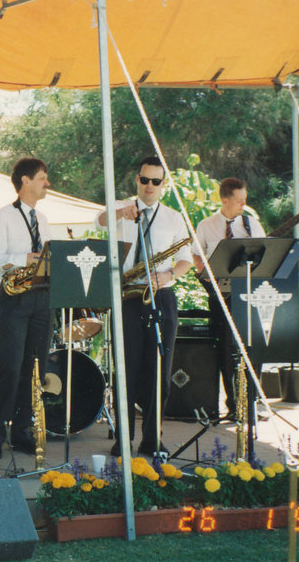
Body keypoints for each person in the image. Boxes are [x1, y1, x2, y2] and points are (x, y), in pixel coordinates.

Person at [95, 156, 191, 457]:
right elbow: (98, 221)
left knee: (158, 371)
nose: (149, 186)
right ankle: (123, 438)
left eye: (156, 181)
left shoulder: (174, 217)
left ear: (163, 185)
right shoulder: (122, 209)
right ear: (137, 180)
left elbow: (186, 259)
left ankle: (153, 437)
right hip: (127, 295)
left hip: (160, 295)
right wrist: (121, 213)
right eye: (145, 180)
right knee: (127, 370)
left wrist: (168, 274)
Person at [0, 157, 53, 462]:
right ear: (25, 181)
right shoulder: (2, 216)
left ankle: (22, 430)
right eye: (42, 178)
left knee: (34, 368)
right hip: (15, 296)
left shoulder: (44, 219)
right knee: (10, 367)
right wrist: (26, 257)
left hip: (42, 297)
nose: (46, 183)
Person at [191, 177, 266, 419]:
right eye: (239, 201)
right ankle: (233, 405)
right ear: (225, 200)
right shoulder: (206, 225)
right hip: (219, 295)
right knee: (225, 348)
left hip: (249, 294)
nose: (244, 205)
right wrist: (206, 277)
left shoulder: (252, 224)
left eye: (245, 201)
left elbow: (266, 254)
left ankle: (250, 402)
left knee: (252, 347)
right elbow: (196, 256)